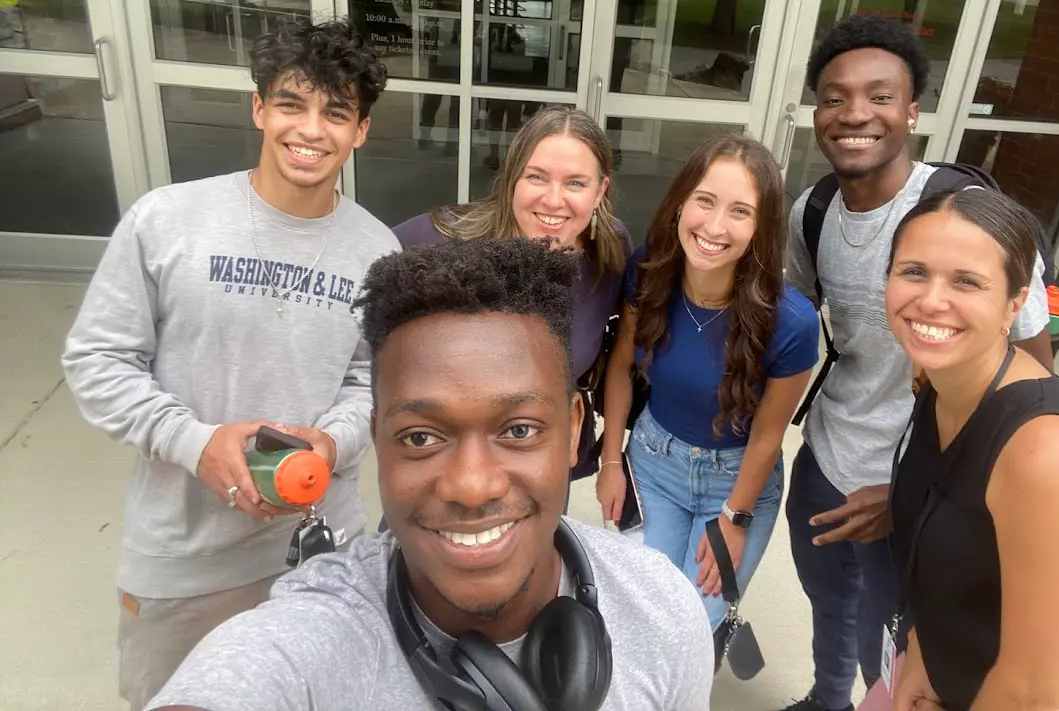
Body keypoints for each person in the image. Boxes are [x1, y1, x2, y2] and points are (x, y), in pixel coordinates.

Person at [145, 237, 715, 711]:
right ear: (378, 441)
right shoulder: (311, 638)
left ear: (572, 432)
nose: (472, 486)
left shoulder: (661, 610)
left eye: (518, 430)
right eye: (421, 437)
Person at [61, 17, 399, 711]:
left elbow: (375, 379)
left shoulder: (377, 250)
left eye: (336, 113)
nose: (311, 129)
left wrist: (332, 442)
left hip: (322, 550)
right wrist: (196, 443)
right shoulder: (166, 220)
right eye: (291, 104)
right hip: (186, 555)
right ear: (258, 108)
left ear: (361, 130)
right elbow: (98, 359)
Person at [779, 14, 1054, 711]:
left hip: (921, 488)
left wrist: (915, 492)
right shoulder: (813, 211)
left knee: (897, 647)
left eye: (880, 96)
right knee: (829, 604)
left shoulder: (972, 216)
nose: (854, 114)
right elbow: (793, 324)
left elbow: (1032, 386)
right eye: (835, 97)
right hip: (826, 460)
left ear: (912, 112)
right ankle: (826, 700)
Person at [882, 187, 1059, 711]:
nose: (931, 300)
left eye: (966, 281)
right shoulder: (940, 382)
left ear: (1015, 303)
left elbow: (1031, 695)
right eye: (914, 272)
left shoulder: (1048, 451)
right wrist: (922, 651)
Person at [595, 133, 820, 629]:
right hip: (654, 465)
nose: (714, 226)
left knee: (695, 625)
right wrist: (611, 460)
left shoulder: (792, 322)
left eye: (740, 211)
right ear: (681, 202)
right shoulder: (648, 272)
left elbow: (768, 436)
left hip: (735, 483)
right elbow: (621, 368)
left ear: (761, 227)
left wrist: (735, 519)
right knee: (644, 615)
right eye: (705, 200)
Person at [395, 105, 631, 483]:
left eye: (575, 183)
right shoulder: (445, 241)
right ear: (512, 179)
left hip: (543, 457)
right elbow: (360, 258)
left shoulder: (610, 249)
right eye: (536, 177)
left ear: (600, 191)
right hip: (450, 465)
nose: (553, 200)